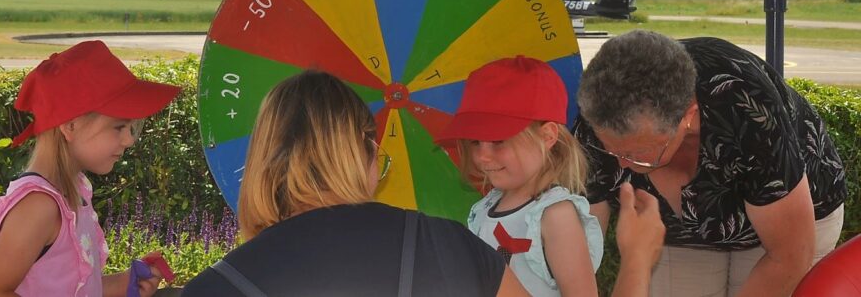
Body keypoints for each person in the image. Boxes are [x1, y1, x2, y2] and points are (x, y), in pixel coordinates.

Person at [182, 69, 664, 297]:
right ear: (363, 152)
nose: (483, 156)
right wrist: (637, 261)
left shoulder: (218, 285)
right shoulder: (451, 246)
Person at [574, 30, 846, 297]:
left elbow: (790, 255)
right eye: (611, 150)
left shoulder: (746, 106)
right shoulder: (595, 117)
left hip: (785, 230)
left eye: (639, 152)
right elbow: (580, 251)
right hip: (679, 236)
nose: (623, 165)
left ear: (688, 117)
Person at [0, 40, 181, 297]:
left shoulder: (72, 192)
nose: (128, 140)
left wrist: (123, 283)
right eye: (118, 127)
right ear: (70, 126)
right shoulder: (39, 207)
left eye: (132, 128)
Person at [437, 56, 602, 296]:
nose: (483, 156)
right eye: (474, 141)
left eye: (498, 141)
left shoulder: (555, 215)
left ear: (547, 137)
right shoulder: (486, 207)